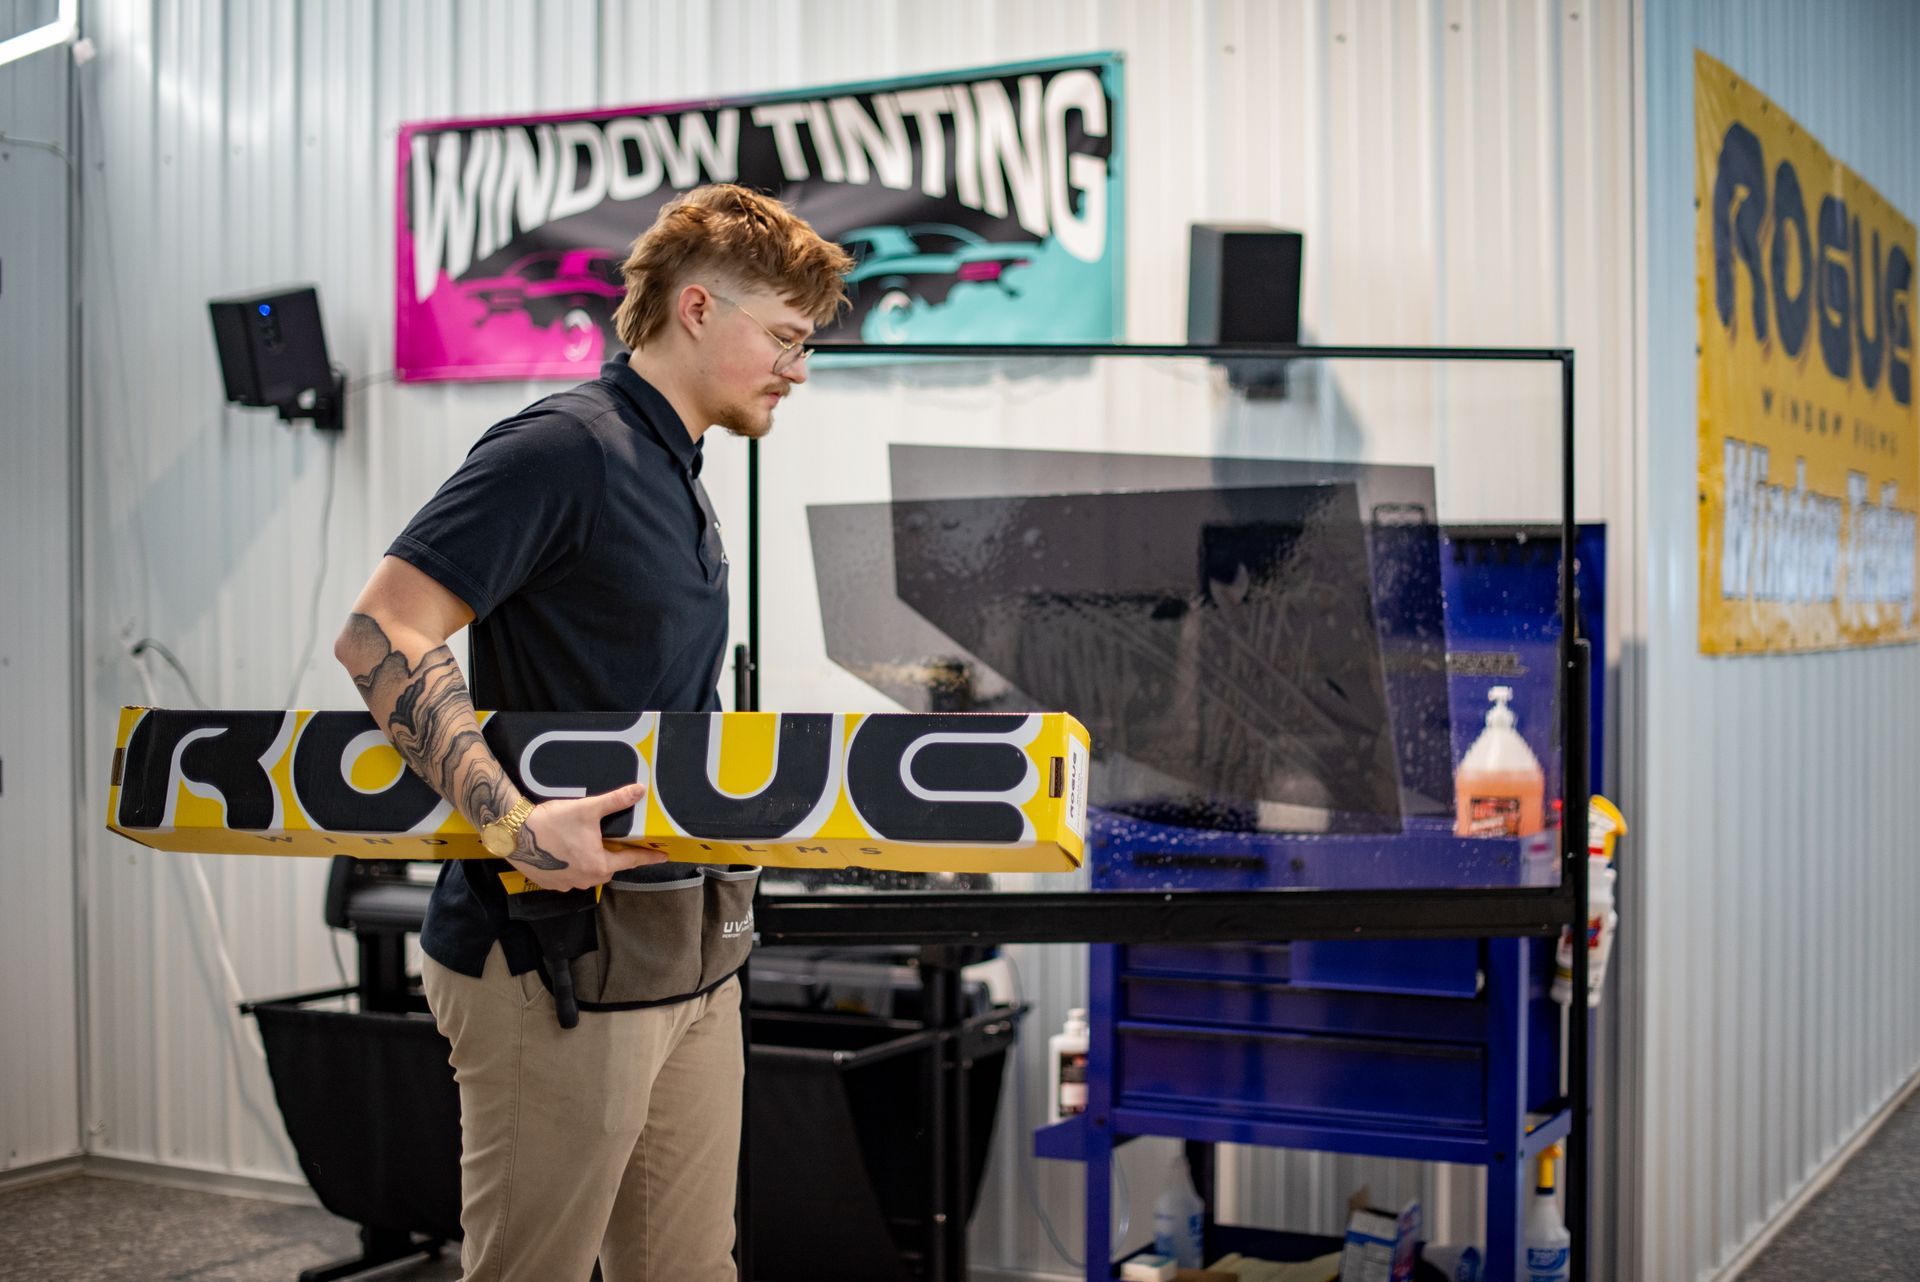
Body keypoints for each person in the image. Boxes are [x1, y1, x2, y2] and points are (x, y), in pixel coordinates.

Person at [334, 183, 853, 1281]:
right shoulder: (567, 449)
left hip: (685, 949)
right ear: (699, 309)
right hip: (549, 956)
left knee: (687, 1269)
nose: (799, 368)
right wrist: (512, 822)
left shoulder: (676, 470)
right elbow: (383, 628)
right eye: (787, 338)